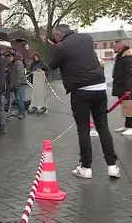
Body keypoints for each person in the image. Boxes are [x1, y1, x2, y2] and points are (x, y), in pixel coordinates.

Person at [48, 24, 119, 178]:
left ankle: (86, 167)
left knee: (83, 129)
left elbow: (51, 65)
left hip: (80, 91)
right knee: (103, 127)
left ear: (58, 36)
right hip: (100, 87)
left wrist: (54, 47)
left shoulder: (60, 47)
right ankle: (112, 166)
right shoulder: (86, 38)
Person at [111, 40, 132, 135]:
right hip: (121, 85)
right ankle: (127, 125)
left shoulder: (127, 57)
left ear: (121, 46)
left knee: (129, 106)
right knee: (126, 106)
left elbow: (129, 74)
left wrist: (128, 89)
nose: (113, 47)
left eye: (115, 46)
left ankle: (131, 127)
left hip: (126, 87)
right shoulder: (121, 56)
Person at [6, 53, 26, 119]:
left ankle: (22, 113)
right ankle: (20, 111)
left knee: (19, 98)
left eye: (8, 58)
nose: (7, 59)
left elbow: (20, 74)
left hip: (20, 84)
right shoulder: (13, 64)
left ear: (12, 57)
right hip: (16, 84)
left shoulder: (18, 63)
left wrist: (17, 84)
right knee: (18, 99)